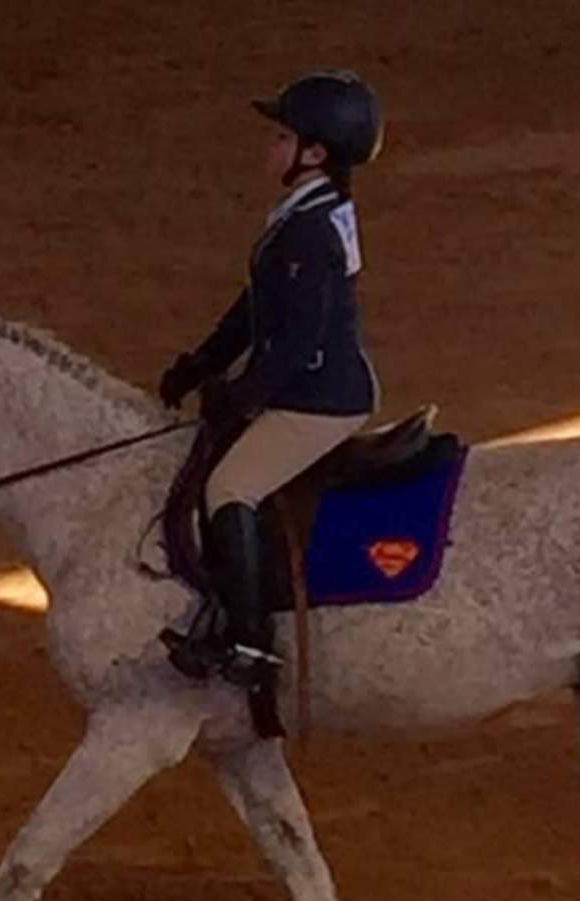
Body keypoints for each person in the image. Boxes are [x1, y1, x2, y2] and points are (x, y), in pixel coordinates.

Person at [158, 69, 383, 698]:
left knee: (231, 486)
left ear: (314, 154)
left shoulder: (309, 229)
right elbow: (257, 307)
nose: (270, 148)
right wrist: (205, 361)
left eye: (282, 137)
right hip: (308, 382)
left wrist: (247, 391)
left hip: (321, 398)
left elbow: (303, 336)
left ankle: (251, 644)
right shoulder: (306, 211)